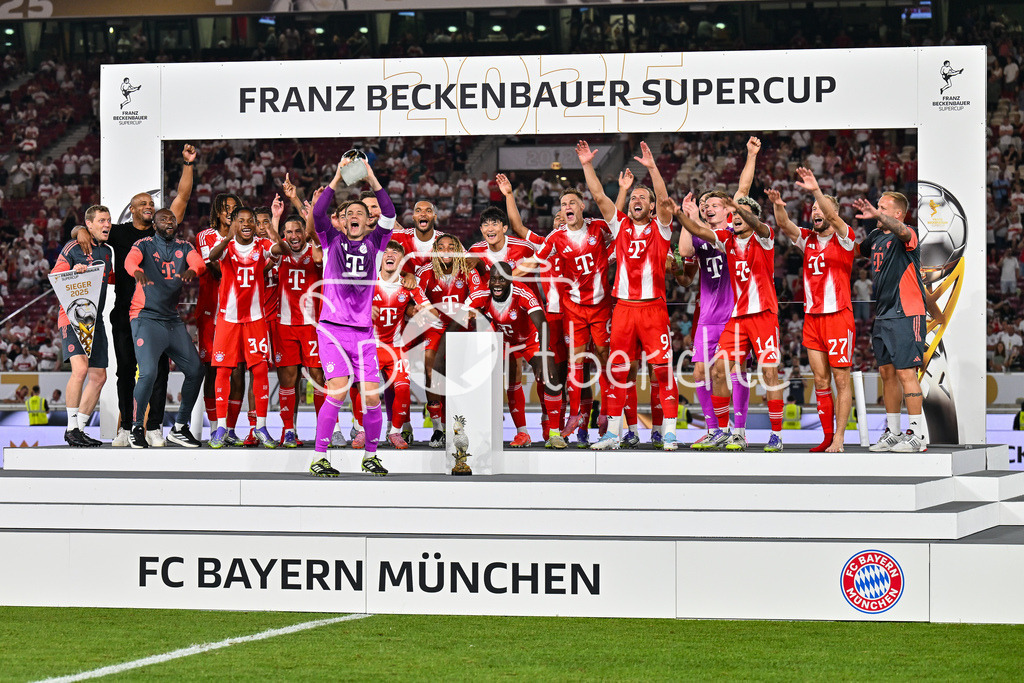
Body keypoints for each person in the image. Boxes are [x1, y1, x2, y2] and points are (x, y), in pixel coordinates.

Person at [76, 144, 196, 447]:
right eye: (142, 202)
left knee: (158, 372)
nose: (149, 205)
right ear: (131, 209)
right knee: (126, 371)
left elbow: (182, 197)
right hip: (126, 313)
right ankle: (126, 428)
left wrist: (187, 164)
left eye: (151, 203)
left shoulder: (163, 230)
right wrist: (80, 230)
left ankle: (154, 426)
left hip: (160, 314)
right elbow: (88, 229)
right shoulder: (120, 232)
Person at [578, 139, 688, 451]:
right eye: (633, 197)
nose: (636, 199)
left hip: (653, 309)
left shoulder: (661, 229)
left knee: (662, 370)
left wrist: (653, 169)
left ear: (651, 207)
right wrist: (587, 164)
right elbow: (599, 196)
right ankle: (613, 433)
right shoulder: (621, 224)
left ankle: (668, 432)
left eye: (643, 197)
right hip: (624, 309)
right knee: (617, 370)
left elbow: (665, 200)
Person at [308, 155, 396, 477]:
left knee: (372, 397)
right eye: (349, 214)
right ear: (342, 222)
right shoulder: (330, 241)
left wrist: (371, 176)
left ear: (367, 221)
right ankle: (319, 458)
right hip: (332, 329)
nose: (355, 216)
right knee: (339, 390)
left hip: (363, 332)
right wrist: (336, 178)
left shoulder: (376, 243)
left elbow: (389, 213)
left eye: (360, 212)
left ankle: (370, 456)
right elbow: (318, 213)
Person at [677, 193, 786, 451]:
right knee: (718, 370)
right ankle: (727, 432)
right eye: (734, 213)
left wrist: (737, 205)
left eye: (740, 213)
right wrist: (681, 215)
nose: (736, 217)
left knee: (770, 373)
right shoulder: (727, 240)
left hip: (763, 315)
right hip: (737, 318)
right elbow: (698, 232)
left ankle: (777, 435)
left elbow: (757, 224)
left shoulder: (764, 237)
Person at [768, 166, 857, 453]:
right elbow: (784, 225)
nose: (815, 212)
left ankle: (841, 438)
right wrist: (778, 206)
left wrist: (817, 191)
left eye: (821, 209)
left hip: (838, 316)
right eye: (813, 209)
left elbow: (833, 216)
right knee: (820, 379)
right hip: (813, 319)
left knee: (841, 379)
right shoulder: (807, 239)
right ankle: (827, 437)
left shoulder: (845, 237)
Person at [122, 208, 206, 448]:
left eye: (172, 218)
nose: (169, 221)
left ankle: (179, 428)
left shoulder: (185, 246)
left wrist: (193, 270)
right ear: (154, 224)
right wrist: (137, 271)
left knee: (196, 370)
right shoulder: (145, 243)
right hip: (145, 317)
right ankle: (137, 427)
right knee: (148, 373)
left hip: (171, 319)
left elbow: (198, 263)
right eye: (163, 219)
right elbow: (130, 260)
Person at [854, 192, 928, 452]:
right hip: (883, 313)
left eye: (883, 208)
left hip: (907, 312)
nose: (877, 211)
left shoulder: (908, 232)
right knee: (887, 373)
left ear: (897, 214)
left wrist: (878, 216)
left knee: (906, 372)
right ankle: (894, 432)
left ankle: (917, 435)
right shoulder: (875, 237)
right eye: (877, 207)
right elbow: (853, 249)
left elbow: (904, 233)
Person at [469, 262, 567, 448]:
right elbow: (464, 313)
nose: (497, 283)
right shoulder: (483, 293)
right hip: (505, 341)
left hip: (529, 340)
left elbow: (542, 324)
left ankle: (554, 433)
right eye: (494, 279)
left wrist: (546, 354)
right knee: (512, 381)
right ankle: (523, 433)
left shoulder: (523, 292)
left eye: (503, 279)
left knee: (550, 376)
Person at [206, 206, 279, 449]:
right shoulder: (226, 247)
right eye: (241, 220)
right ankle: (221, 428)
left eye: (250, 221)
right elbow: (212, 258)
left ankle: (261, 426)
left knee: (259, 372)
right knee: (223, 372)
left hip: (256, 320)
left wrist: (272, 230)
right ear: (234, 223)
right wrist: (228, 236)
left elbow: (284, 249)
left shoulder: (261, 245)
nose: (247, 224)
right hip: (228, 320)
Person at [51, 205, 114, 447]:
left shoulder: (107, 251)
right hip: (73, 317)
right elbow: (56, 277)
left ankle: (79, 429)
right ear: (89, 225)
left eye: (108, 220)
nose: (106, 224)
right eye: (101, 220)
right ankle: (69, 427)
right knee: (80, 370)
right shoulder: (73, 248)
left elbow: (109, 278)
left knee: (99, 377)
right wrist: (75, 274)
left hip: (95, 320)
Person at [416, 234, 484, 448]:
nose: (446, 250)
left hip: (459, 326)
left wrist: (466, 310)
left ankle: (459, 425)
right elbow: (415, 291)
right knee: (431, 372)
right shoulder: (425, 271)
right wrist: (427, 308)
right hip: (435, 326)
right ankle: (437, 428)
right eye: (441, 246)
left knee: (458, 376)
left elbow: (480, 292)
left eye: (451, 246)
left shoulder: (467, 269)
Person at [271, 198, 325, 447]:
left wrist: (310, 208)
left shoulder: (315, 250)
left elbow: (316, 236)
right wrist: (275, 217)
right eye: (288, 232)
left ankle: (323, 429)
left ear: (305, 232)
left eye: (297, 231)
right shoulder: (280, 252)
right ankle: (288, 430)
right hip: (285, 325)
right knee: (288, 379)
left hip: (312, 326)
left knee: (317, 376)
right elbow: (274, 241)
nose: (293, 236)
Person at [372, 240, 430, 449]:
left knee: (404, 389)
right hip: (371, 346)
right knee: (363, 390)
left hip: (396, 348)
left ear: (402, 259)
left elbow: (427, 308)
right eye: (385, 250)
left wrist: (420, 313)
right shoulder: (368, 281)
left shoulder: (409, 285)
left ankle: (395, 432)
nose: (389, 254)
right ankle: (362, 430)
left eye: (395, 252)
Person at [196, 193, 244, 444]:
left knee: (238, 370)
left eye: (234, 208)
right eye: (225, 208)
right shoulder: (206, 236)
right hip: (212, 313)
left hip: (240, 314)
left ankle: (232, 428)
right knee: (212, 370)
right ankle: (215, 427)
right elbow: (214, 268)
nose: (229, 212)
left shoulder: (248, 238)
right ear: (216, 212)